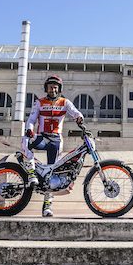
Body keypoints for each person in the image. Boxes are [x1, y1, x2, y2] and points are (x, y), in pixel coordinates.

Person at [22, 75, 84, 217]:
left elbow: (75, 113)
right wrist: (30, 129)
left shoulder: (65, 102)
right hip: (42, 137)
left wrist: (80, 118)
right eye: (50, 86)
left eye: (55, 87)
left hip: (56, 141)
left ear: (59, 89)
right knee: (25, 140)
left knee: (52, 175)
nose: (53, 89)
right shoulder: (39, 102)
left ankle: (47, 207)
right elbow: (31, 119)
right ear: (46, 88)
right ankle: (31, 173)